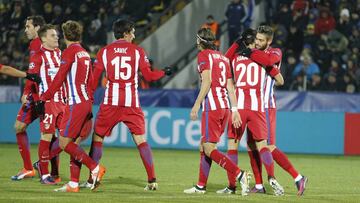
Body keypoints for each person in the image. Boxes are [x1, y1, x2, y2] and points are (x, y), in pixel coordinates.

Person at [80, 19, 172, 191]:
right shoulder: (138, 51)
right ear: (126, 33)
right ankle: (152, 180)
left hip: (110, 103)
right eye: (133, 32)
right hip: (131, 104)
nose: (134, 35)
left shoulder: (104, 52)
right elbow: (150, 76)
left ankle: (92, 179)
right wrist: (163, 72)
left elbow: (93, 80)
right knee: (141, 140)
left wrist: (88, 97)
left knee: (98, 138)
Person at [228, 25, 308, 196]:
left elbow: (272, 65)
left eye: (261, 40)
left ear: (269, 41)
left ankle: (298, 177)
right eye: (256, 39)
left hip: (265, 106)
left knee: (268, 146)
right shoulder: (252, 54)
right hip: (252, 106)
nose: (257, 43)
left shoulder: (275, 52)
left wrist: (248, 53)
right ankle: (258, 185)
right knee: (251, 146)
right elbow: (279, 79)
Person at [217, 28, 285, 196]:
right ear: (254, 42)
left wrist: (237, 43)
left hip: (239, 107)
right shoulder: (262, 59)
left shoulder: (235, 59)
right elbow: (279, 78)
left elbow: (224, 59)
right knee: (263, 145)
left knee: (232, 145)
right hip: (257, 108)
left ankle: (232, 185)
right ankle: (272, 177)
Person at [40, 20, 105, 192]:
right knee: (74, 142)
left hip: (75, 103)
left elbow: (60, 77)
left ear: (64, 35)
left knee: (63, 143)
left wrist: (45, 97)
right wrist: (89, 102)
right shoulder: (84, 53)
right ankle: (74, 183)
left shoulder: (69, 52)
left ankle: (95, 168)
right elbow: (92, 81)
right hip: (85, 102)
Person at [183, 28, 250, 195]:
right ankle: (200, 186)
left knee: (208, 147)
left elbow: (206, 82)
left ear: (200, 41)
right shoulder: (222, 58)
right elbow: (230, 87)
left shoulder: (203, 56)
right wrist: (234, 110)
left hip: (212, 107)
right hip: (225, 108)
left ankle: (239, 174)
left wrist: (196, 104)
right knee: (204, 146)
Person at [26, 24, 65, 185]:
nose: (56, 37)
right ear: (43, 38)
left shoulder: (60, 53)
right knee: (47, 137)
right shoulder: (38, 56)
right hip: (48, 102)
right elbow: (31, 80)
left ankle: (44, 163)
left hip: (63, 101)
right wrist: (37, 101)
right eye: (52, 35)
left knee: (66, 139)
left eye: (56, 35)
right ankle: (45, 174)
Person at [11, 15, 45, 181]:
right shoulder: (39, 44)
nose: (25, 30)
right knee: (49, 134)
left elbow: (34, 72)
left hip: (37, 93)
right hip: (47, 93)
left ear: (37, 27)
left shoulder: (38, 44)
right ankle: (46, 171)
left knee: (20, 127)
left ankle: (30, 168)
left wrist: (26, 92)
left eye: (28, 26)